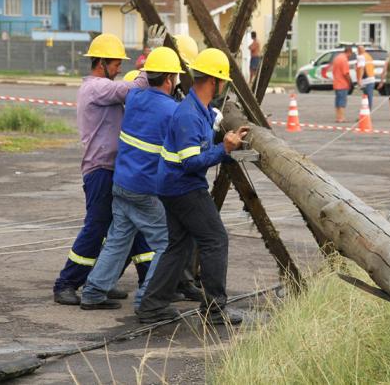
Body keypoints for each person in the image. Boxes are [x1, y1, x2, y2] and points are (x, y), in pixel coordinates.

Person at [136, 48, 249, 325]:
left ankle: (151, 305)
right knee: (215, 239)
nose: (223, 88)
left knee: (178, 246)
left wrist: (218, 133)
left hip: (172, 185)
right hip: (182, 186)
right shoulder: (188, 115)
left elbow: (197, 145)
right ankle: (214, 310)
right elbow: (191, 162)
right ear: (214, 81)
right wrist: (225, 147)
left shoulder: (196, 110)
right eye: (223, 82)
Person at [53, 33, 153, 306]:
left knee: (127, 226)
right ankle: (66, 283)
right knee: (97, 227)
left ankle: (113, 282)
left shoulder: (101, 87)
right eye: (116, 62)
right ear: (101, 63)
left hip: (112, 169)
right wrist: (151, 62)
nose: (120, 67)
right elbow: (133, 88)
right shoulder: (95, 88)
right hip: (100, 171)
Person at [81, 47, 183, 310]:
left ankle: (93, 292)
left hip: (121, 182)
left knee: (118, 239)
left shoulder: (135, 97)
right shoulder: (172, 110)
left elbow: (135, 84)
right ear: (170, 79)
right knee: (166, 242)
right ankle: (148, 299)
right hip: (144, 188)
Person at [332, 45, 352, 123]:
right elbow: (346, 73)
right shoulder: (344, 60)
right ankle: (341, 118)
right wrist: (350, 82)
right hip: (342, 83)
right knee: (342, 101)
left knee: (337, 101)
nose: (350, 56)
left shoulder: (337, 58)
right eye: (350, 54)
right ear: (349, 52)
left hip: (336, 82)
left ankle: (338, 117)